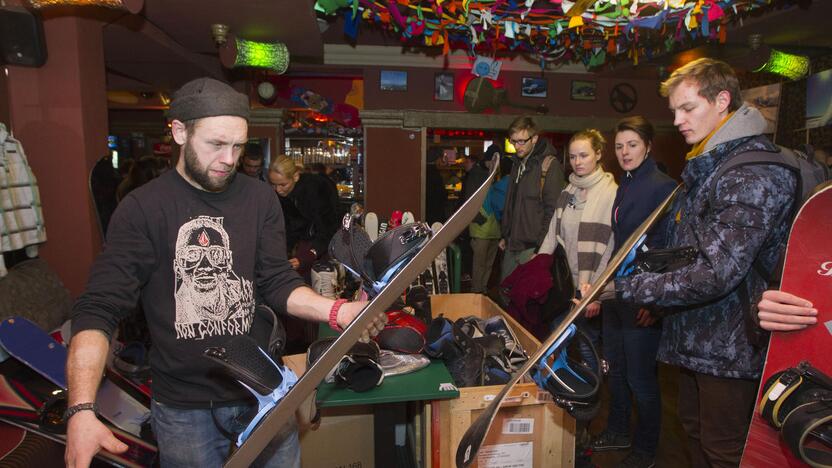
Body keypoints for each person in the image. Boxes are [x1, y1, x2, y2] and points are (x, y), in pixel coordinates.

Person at [65, 77, 385, 468]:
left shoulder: (259, 198)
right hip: (184, 405)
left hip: (262, 390)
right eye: (216, 144)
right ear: (180, 131)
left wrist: (338, 312)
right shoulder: (142, 209)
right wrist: (80, 409)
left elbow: (276, 281)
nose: (230, 159)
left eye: (238, 146)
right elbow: (98, 308)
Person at [614, 58, 798, 468]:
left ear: (722, 101)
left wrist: (627, 288)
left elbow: (717, 272)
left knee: (725, 451)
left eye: (688, 108)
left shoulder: (753, 169)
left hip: (734, 348)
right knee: (698, 439)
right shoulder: (712, 163)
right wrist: (659, 299)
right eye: (675, 110)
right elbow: (692, 252)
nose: (678, 120)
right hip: (701, 339)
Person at [591, 116, 676, 468]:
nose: (625, 152)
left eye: (633, 145)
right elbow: (622, 245)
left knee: (641, 380)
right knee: (616, 370)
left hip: (643, 296)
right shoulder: (625, 184)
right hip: (618, 293)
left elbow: (669, 249)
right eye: (620, 146)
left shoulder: (664, 186)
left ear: (648, 146)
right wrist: (601, 288)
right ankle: (618, 429)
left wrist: (655, 304)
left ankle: (645, 450)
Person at [537, 129, 617, 370]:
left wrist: (595, 295)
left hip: (589, 288)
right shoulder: (568, 190)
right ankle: (560, 391)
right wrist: (537, 269)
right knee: (554, 339)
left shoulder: (610, 192)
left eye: (583, 155)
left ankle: (591, 397)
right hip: (563, 287)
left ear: (598, 154)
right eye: (573, 157)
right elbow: (553, 233)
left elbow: (610, 248)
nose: (577, 162)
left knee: (586, 343)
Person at [499, 116, 565, 293]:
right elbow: (511, 204)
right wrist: (505, 235)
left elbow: (553, 212)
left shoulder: (549, 165)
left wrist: (540, 250)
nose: (517, 146)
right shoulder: (517, 164)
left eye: (522, 141)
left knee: (524, 300)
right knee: (505, 294)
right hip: (512, 244)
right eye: (513, 141)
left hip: (532, 248)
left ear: (534, 138)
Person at [267, 155, 339, 283]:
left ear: (295, 176)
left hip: (331, 247)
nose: (278, 190)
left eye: (283, 184)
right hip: (310, 245)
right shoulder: (284, 195)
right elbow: (290, 228)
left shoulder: (316, 189)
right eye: (273, 184)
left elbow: (328, 228)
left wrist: (309, 254)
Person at [469, 145, 508, 294]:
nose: (495, 163)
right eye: (493, 159)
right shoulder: (477, 174)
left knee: (488, 264)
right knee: (479, 264)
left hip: (493, 229)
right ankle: (476, 291)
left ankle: (482, 291)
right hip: (481, 230)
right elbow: (470, 201)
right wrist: (480, 219)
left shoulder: (493, 176)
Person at [425, 147, 448, 224]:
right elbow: (442, 195)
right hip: (435, 213)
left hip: (426, 211)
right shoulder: (436, 174)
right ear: (437, 159)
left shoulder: (423, 171)